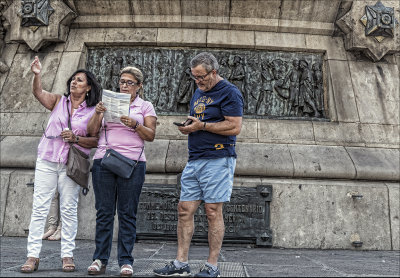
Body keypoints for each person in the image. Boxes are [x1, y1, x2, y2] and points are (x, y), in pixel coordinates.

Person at [154, 52, 243, 278]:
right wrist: (189, 125)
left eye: (201, 77)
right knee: (184, 210)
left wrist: (201, 126)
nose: (198, 81)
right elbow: (200, 120)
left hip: (218, 158)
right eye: (194, 77)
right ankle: (180, 262)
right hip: (195, 158)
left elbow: (234, 127)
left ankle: (212, 266)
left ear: (214, 72)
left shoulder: (230, 92)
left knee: (213, 211)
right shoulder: (198, 91)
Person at [21, 56, 101, 273]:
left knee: (68, 209)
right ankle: (32, 256)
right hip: (47, 159)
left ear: (88, 87)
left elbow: (95, 140)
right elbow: (39, 93)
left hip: (71, 164)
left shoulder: (93, 111)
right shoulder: (58, 101)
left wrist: (75, 138)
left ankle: (67, 255)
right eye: (73, 79)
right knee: (39, 208)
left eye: (80, 80)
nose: (74, 82)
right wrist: (37, 75)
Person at [86, 66, 157, 277]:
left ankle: (126, 260)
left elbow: (151, 135)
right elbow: (91, 132)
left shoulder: (145, 106)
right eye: (122, 81)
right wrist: (98, 113)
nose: (124, 86)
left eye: (129, 83)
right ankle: (100, 259)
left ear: (139, 86)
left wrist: (135, 125)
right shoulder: (107, 102)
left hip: (133, 163)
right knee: (104, 212)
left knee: (127, 213)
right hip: (104, 161)